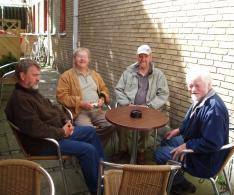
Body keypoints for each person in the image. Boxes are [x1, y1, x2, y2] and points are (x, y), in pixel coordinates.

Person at [5, 59, 104, 195]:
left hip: (56, 133)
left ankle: (101, 172)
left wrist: (66, 120)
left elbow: (53, 107)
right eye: (35, 75)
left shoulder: (31, 92)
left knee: (91, 132)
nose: (39, 79)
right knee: (88, 150)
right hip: (43, 143)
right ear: (22, 76)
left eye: (39, 75)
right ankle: (98, 190)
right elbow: (36, 129)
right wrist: (62, 132)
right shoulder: (19, 100)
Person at [154, 66, 229, 194]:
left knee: (159, 153)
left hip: (205, 160)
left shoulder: (214, 110)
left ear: (209, 85)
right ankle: (175, 176)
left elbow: (213, 143)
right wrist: (179, 130)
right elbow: (192, 122)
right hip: (199, 148)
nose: (193, 90)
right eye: (190, 85)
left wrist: (187, 145)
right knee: (167, 140)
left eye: (197, 85)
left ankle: (180, 183)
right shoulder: (202, 99)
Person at [114, 44, 169, 163]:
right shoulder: (128, 72)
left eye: (145, 56)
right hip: (128, 106)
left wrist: (150, 106)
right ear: (137, 57)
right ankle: (123, 149)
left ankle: (141, 151)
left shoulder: (158, 74)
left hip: (148, 108)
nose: (143, 59)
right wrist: (127, 104)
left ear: (150, 57)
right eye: (140, 56)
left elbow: (163, 94)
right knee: (121, 125)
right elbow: (118, 89)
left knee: (146, 127)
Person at [56, 47, 114, 145]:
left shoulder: (95, 75)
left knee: (112, 124)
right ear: (74, 59)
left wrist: (102, 98)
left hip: (97, 111)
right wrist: (80, 103)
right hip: (79, 113)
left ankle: (98, 145)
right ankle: (93, 148)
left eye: (85, 57)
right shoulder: (66, 76)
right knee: (88, 130)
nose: (82, 59)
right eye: (79, 57)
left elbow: (104, 89)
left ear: (88, 60)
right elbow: (61, 97)